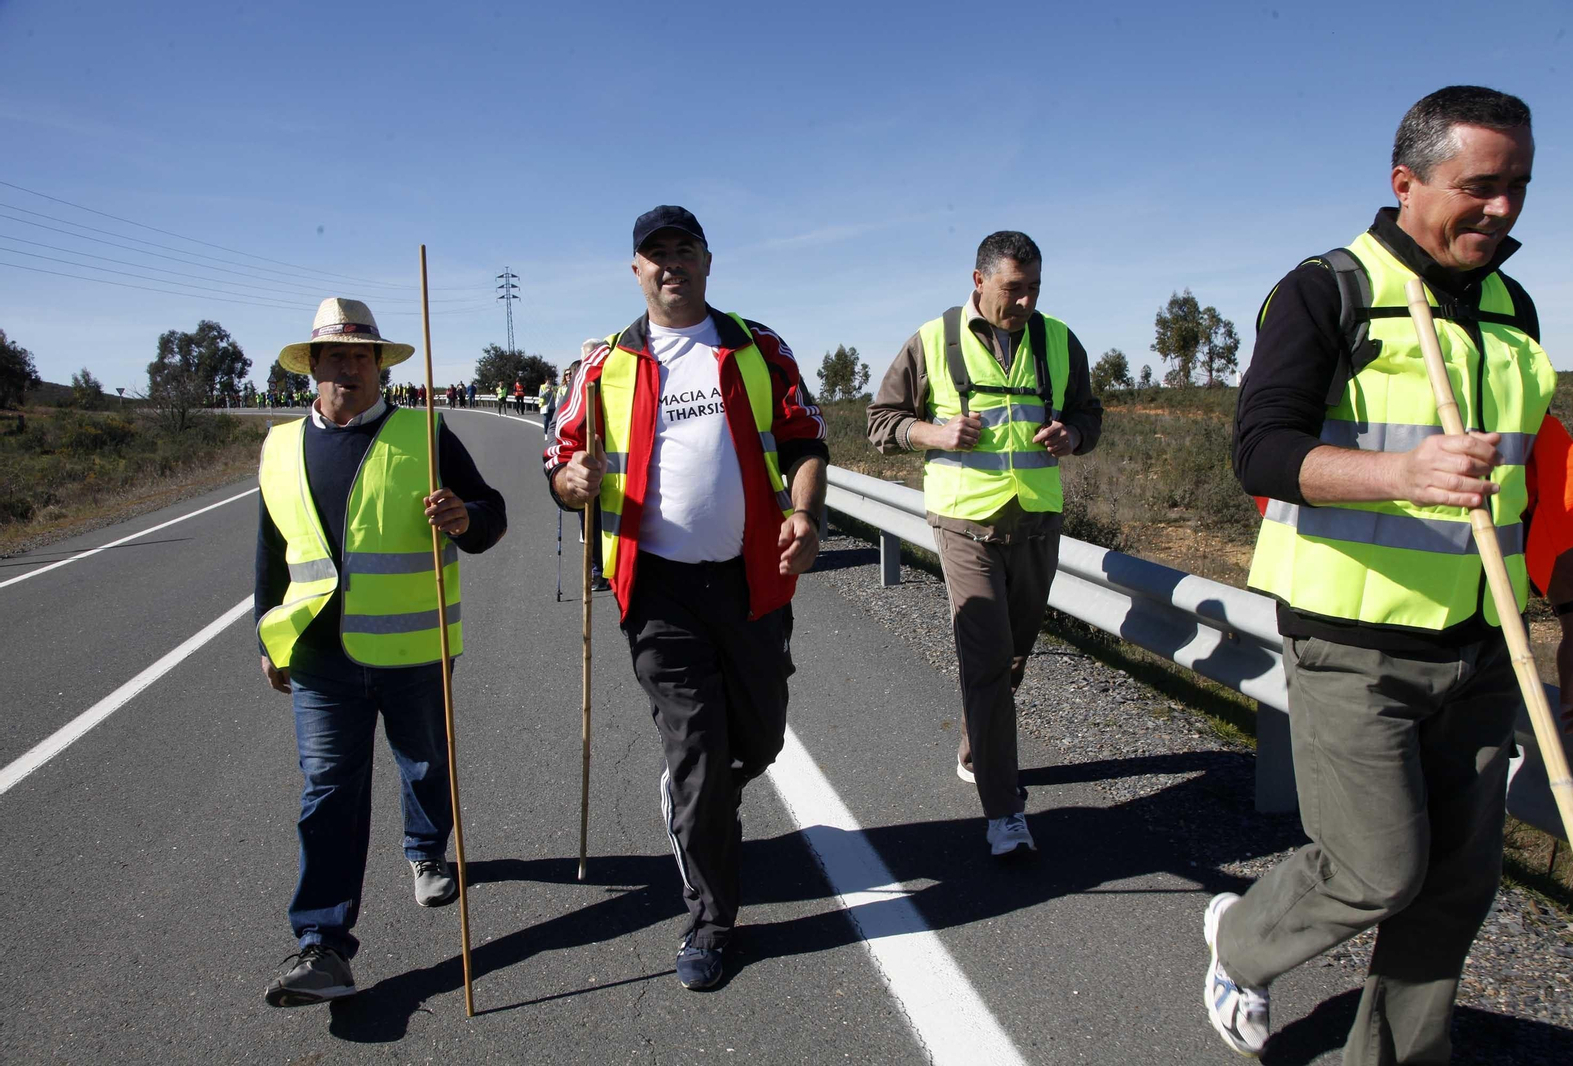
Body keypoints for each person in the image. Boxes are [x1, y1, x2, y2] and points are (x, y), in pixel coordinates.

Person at [1216, 86, 1573, 1063]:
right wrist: (1401, 474)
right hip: (1351, 644)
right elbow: (1261, 450)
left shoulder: (1512, 307)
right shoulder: (1328, 290)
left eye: (1519, 187)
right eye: (1480, 186)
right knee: (1376, 870)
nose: (1503, 209)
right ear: (1406, 181)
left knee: (1458, 885)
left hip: (1484, 644)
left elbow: (1540, 486)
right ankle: (1239, 941)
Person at [545, 206, 828, 992]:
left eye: (683, 250)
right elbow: (561, 462)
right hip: (658, 592)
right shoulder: (601, 365)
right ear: (636, 269)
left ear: (707, 260)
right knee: (698, 752)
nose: (670, 264)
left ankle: (701, 795)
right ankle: (710, 921)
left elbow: (805, 441)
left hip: (751, 579)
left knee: (760, 741)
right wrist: (571, 481)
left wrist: (806, 514)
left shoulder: (758, 347)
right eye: (655, 254)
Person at [255, 297, 507, 1008]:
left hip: (413, 647)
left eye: (361, 356)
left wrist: (463, 519)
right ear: (312, 367)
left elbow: (491, 515)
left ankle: (426, 851)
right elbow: (272, 550)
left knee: (424, 759)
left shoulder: (424, 432)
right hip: (319, 657)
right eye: (335, 356)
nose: (349, 368)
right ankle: (323, 944)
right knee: (328, 790)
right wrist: (266, 635)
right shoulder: (280, 447)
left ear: (379, 367)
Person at [866, 230, 1101, 857]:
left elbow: (1089, 413)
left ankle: (978, 749)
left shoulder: (1060, 340)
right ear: (978, 280)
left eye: (1034, 290)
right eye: (1012, 289)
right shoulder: (932, 340)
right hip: (964, 522)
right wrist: (936, 434)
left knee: (1013, 656)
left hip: (1037, 520)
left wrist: (1073, 437)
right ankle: (1005, 812)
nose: (1025, 302)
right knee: (989, 658)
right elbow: (881, 422)